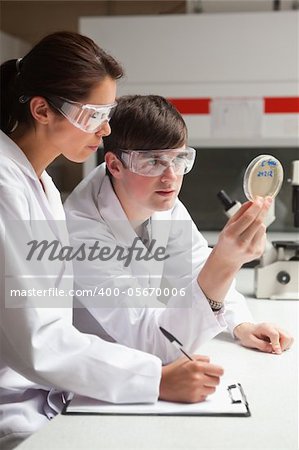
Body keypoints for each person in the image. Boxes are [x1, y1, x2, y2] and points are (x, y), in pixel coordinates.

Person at [0, 34, 224, 450]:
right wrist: (153, 378)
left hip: (46, 389)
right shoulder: (5, 184)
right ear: (42, 110)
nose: (105, 130)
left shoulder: (41, 185)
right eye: (94, 115)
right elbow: (36, 340)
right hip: (14, 401)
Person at [65, 94, 293, 363]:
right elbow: (151, 340)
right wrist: (226, 261)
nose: (171, 176)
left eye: (178, 159)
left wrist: (241, 324)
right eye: (153, 161)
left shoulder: (162, 204)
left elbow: (196, 268)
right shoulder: (81, 231)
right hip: (95, 369)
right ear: (115, 165)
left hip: (137, 360)